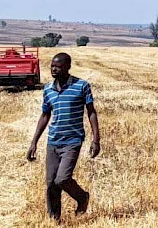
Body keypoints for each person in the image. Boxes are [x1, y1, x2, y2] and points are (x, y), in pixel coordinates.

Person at [26, 52, 100, 222]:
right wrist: (34, 142)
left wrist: (96, 140)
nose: (53, 69)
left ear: (67, 67)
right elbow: (45, 115)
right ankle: (54, 220)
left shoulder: (82, 86)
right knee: (51, 183)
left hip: (72, 141)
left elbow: (91, 112)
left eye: (58, 66)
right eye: (52, 65)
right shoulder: (48, 89)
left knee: (62, 179)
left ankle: (82, 197)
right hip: (53, 141)